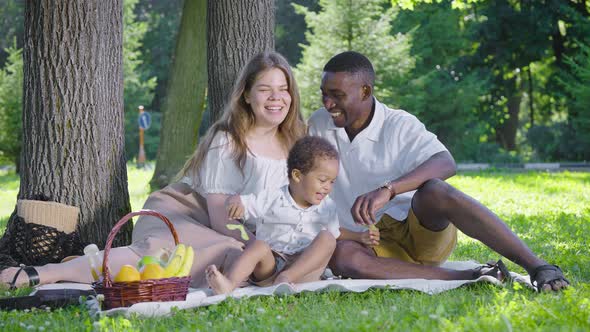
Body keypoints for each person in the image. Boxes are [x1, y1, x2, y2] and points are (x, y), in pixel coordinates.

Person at [1, 51, 307, 289]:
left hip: (243, 233)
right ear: (246, 95)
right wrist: (254, 245)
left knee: (242, 257)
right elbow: (218, 215)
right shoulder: (227, 140)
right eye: (265, 89)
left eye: (283, 89)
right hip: (187, 213)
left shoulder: (298, 142)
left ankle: (83, 265)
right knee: (172, 254)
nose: (276, 98)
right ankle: (48, 272)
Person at [308, 51, 569, 292]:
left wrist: (388, 190)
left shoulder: (399, 124)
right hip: (364, 242)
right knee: (340, 255)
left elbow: (446, 162)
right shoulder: (318, 123)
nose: (328, 103)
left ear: (365, 91)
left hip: (419, 231)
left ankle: (539, 266)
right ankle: (473, 275)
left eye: (337, 95)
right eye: (324, 94)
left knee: (435, 190)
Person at [206, 136, 344, 294]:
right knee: (259, 245)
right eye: (323, 180)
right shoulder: (272, 198)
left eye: (332, 182)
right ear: (297, 176)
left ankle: (287, 277)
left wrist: (359, 237)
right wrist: (235, 202)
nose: (327, 188)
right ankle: (228, 284)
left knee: (328, 238)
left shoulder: (328, 206)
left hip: (305, 270)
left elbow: (334, 236)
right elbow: (245, 202)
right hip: (271, 268)